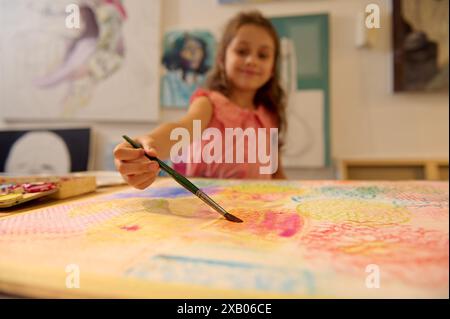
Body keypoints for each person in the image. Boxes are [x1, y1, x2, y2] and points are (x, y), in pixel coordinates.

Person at [114, 10, 287, 189]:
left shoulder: (269, 115)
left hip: (256, 210)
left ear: (273, 67)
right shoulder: (208, 104)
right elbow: (180, 129)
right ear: (221, 59)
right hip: (204, 213)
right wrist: (148, 144)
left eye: (263, 55)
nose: (251, 60)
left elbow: (276, 173)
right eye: (242, 51)